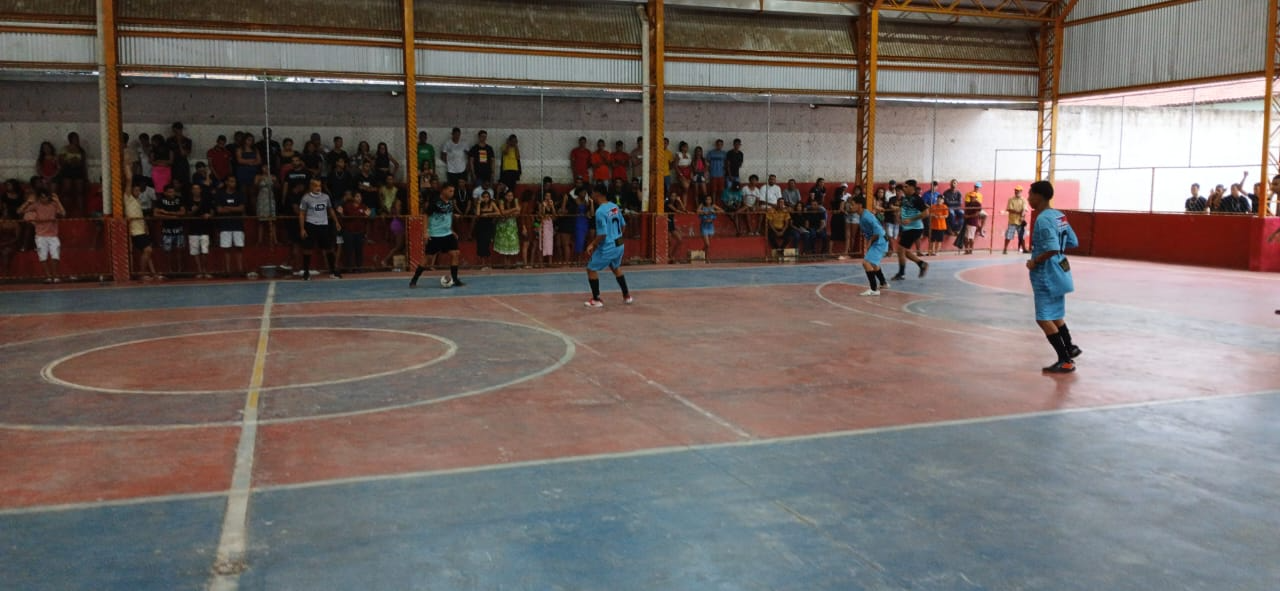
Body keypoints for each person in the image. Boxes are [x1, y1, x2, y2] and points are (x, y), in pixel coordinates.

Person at [1025, 180, 1081, 374]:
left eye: (1030, 194)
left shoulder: (1043, 219)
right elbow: (1072, 241)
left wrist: (1035, 261)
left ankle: (1065, 360)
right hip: (1061, 270)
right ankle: (1070, 347)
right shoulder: (1059, 215)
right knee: (1056, 313)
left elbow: (1052, 247)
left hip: (1046, 273)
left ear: (1039, 196)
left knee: (1043, 318)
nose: (1028, 198)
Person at [583, 185, 633, 308]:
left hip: (608, 246)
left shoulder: (600, 211)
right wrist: (617, 236)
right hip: (619, 244)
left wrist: (592, 244)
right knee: (615, 267)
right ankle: (627, 296)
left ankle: (596, 299)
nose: (591, 196)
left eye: (593, 193)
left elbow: (603, 234)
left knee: (591, 269)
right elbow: (623, 225)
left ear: (598, 194)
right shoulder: (614, 206)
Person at [410, 184, 465, 288]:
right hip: (435, 234)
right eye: (450, 191)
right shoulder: (434, 202)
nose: (452, 193)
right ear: (443, 190)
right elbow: (426, 215)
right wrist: (426, 232)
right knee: (428, 258)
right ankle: (414, 280)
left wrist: (451, 230)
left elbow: (448, 216)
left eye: (453, 191)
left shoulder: (450, 203)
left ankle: (455, 279)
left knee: (455, 253)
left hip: (447, 234)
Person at [298, 178, 342, 280]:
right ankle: (306, 272)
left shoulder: (326, 197)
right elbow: (302, 214)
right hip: (311, 225)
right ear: (311, 186)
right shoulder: (306, 198)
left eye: (320, 186)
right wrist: (302, 228)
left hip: (324, 225)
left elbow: (330, 210)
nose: (318, 188)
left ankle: (333, 271)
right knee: (307, 249)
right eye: (316, 186)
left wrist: (336, 222)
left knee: (329, 248)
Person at [20, 187, 66, 283]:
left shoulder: (54, 204)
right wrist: (28, 202)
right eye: (41, 197)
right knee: (43, 256)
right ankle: (48, 276)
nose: (43, 199)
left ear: (49, 197)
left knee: (55, 255)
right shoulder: (36, 205)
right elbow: (19, 211)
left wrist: (58, 201)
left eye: (45, 197)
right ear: (39, 197)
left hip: (53, 235)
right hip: (40, 235)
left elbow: (63, 213)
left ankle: (55, 276)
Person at [848, 196, 889, 296]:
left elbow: (878, 232)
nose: (850, 206)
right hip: (879, 240)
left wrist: (869, 243)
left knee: (866, 263)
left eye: (852, 204)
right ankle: (883, 283)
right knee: (874, 264)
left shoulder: (866, 216)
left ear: (859, 205)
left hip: (880, 241)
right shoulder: (863, 215)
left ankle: (874, 289)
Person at [891, 180, 929, 280]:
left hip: (915, 228)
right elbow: (903, 209)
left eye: (906, 186)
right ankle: (921, 264)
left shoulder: (917, 199)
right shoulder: (905, 199)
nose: (904, 188)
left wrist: (911, 219)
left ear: (912, 188)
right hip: (907, 228)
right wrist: (899, 216)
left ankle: (901, 273)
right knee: (904, 251)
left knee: (900, 250)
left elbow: (926, 213)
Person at [124, 183, 158, 281]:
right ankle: (142, 274)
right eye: (135, 190)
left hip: (141, 230)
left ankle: (154, 273)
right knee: (148, 250)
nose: (138, 192)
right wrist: (128, 167)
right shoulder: (128, 199)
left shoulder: (137, 201)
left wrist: (145, 226)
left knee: (147, 253)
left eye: (139, 191)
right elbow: (129, 180)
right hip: (135, 231)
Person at [215, 176, 247, 276]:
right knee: (226, 249)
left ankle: (240, 270)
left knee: (239, 248)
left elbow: (241, 209)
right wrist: (234, 209)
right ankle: (227, 271)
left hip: (238, 225)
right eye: (231, 181)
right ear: (227, 183)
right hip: (225, 225)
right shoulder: (220, 194)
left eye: (234, 181)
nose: (233, 183)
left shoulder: (240, 194)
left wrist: (228, 208)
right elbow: (219, 210)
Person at [153, 183, 187, 275]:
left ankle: (180, 270)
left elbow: (183, 212)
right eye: (169, 192)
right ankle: (169, 270)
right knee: (167, 251)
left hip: (178, 229)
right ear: (165, 192)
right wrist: (172, 216)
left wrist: (165, 212)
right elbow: (156, 214)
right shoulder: (160, 201)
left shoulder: (179, 199)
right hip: (166, 230)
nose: (171, 194)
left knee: (179, 251)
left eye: (173, 192)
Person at [187, 183, 214, 279]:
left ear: (200, 190)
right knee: (195, 251)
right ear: (191, 190)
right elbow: (187, 214)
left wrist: (209, 215)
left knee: (205, 250)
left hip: (204, 229)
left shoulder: (205, 201)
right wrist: (194, 211)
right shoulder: (188, 201)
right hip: (193, 229)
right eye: (194, 188)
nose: (196, 190)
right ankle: (199, 271)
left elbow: (211, 212)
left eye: (197, 188)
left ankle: (205, 270)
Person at [340, 190, 368, 270]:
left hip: (359, 232)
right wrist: (341, 213)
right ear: (353, 197)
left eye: (360, 197)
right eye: (357, 196)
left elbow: (367, 218)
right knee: (348, 251)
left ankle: (359, 267)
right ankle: (349, 268)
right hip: (348, 232)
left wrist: (367, 216)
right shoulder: (347, 206)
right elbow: (342, 215)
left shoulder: (364, 206)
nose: (359, 198)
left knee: (359, 251)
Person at [697, 194, 724, 261]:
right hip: (704, 226)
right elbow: (697, 211)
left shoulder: (713, 206)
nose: (708, 201)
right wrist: (704, 212)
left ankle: (703, 256)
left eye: (709, 199)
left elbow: (722, 211)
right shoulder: (702, 205)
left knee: (707, 245)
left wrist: (714, 211)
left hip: (710, 226)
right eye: (707, 199)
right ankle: (704, 256)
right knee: (707, 244)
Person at [1004, 185, 1028, 254]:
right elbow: (1009, 209)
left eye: (1018, 190)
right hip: (1012, 220)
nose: (1016, 191)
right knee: (1008, 235)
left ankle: (1024, 249)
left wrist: (1022, 216)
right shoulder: (1011, 199)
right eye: (1015, 190)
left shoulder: (1024, 200)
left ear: (1021, 191)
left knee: (1022, 236)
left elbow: (1024, 209)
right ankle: (1005, 249)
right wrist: (1019, 212)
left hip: (1020, 221)